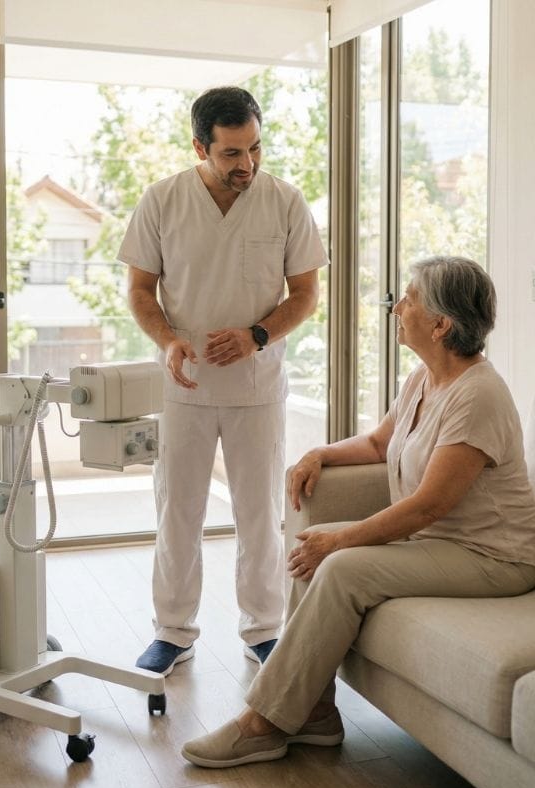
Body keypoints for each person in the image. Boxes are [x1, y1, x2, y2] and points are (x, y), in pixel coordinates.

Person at [181, 254, 535, 768]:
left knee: (340, 562)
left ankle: (262, 723)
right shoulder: (424, 378)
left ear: (442, 325)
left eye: (410, 298)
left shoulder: (478, 395)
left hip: (494, 557)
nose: (399, 308)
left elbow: (429, 506)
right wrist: (319, 454)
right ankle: (317, 714)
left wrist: (343, 541)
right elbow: (376, 443)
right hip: (442, 545)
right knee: (314, 545)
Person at [117, 86, 327, 676]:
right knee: (176, 510)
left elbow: (306, 294)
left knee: (260, 512)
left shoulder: (285, 202)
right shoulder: (161, 201)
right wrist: (169, 341)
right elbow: (139, 288)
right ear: (199, 147)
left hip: (256, 386)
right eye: (232, 153)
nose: (247, 165)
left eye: (255, 149)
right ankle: (173, 631)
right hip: (183, 386)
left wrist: (257, 335)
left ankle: (264, 629)